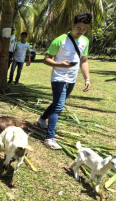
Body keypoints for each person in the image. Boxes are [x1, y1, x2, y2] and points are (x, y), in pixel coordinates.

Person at [38, 12, 92, 150]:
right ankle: (49, 138)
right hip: (58, 77)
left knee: (57, 103)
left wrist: (87, 78)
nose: (81, 31)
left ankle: (42, 118)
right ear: (72, 25)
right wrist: (60, 64)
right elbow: (46, 58)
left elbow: (84, 61)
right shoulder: (60, 40)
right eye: (79, 27)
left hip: (72, 78)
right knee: (59, 107)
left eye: (84, 29)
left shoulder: (85, 41)